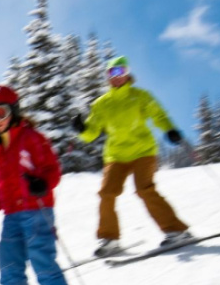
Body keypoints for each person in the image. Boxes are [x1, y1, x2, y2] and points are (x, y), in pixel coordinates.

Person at [0, 85, 83, 285]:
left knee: (39, 252)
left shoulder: (32, 138)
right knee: (8, 258)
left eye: (0, 113)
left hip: (36, 208)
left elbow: (52, 169)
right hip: (12, 215)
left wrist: (43, 184)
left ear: (13, 110)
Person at [73, 55, 193, 258]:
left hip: (143, 151)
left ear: (127, 73)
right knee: (107, 193)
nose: (116, 76)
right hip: (116, 155)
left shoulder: (140, 96)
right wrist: (82, 129)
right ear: (107, 76)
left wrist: (170, 130)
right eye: (112, 72)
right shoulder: (102, 103)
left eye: (120, 71)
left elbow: (159, 115)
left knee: (144, 189)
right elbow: (92, 133)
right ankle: (109, 239)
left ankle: (177, 231)